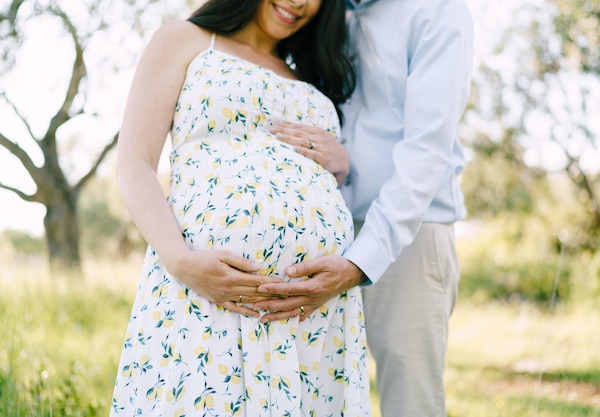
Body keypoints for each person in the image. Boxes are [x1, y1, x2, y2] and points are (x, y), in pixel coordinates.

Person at [109, 0, 371, 415]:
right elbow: (134, 164)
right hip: (208, 292)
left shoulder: (312, 77)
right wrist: (180, 261)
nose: (299, 2)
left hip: (314, 314)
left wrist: (339, 167)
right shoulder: (184, 40)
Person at [253, 0, 474, 416]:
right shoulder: (318, 10)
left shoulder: (440, 11)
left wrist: (360, 262)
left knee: (409, 401)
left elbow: (426, 151)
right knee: (318, 390)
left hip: (411, 232)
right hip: (326, 227)